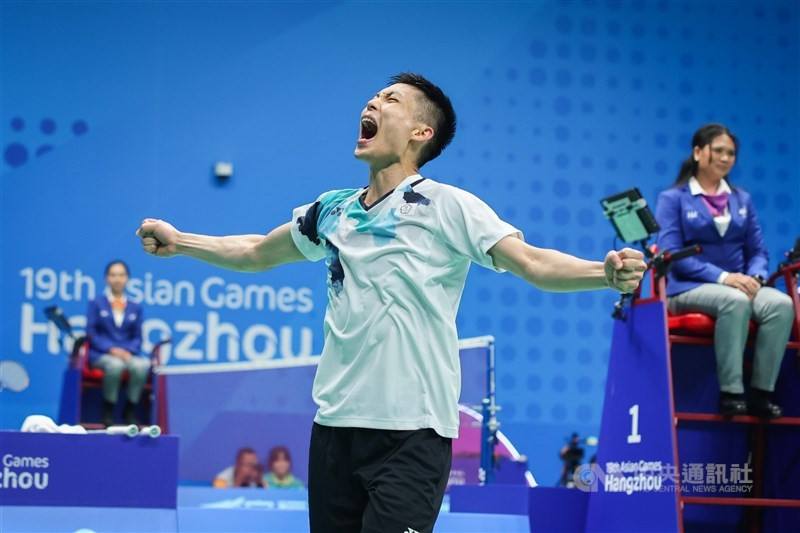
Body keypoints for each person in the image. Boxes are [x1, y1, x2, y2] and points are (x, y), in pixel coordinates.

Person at [136, 73, 645, 533]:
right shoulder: (330, 211)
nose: (374, 101)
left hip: (412, 434)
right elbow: (254, 252)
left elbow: (531, 263)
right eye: (375, 96)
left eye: (391, 99)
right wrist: (182, 242)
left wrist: (602, 274)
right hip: (335, 429)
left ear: (421, 133)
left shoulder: (449, 206)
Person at [655, 123, 794, 419]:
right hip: (688, 288)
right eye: (718, 150)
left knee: (781, 305)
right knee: (735, 301)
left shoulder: (742, 199)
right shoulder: (673, 199)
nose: (725, 158)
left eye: (730, 153)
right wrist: (724, 278)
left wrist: (756, 276)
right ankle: (731, 392)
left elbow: (758, 250)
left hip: (740, 283)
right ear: (698, 152)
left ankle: (761, 392)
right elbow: (672, 254)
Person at [86, 260, 149, 427]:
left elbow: (138, 337)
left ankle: (130, 410)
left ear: (127, 279)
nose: (117, 279)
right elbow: (91, 333)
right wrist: (111, 349)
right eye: (113, 275)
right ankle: (108, 409)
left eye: (121, 275)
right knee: (115, 366)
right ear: (107, 278)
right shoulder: (96, 303)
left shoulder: (136, 307)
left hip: (128, 354)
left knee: (142, 366)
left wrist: (128, 351)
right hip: (102, 355)